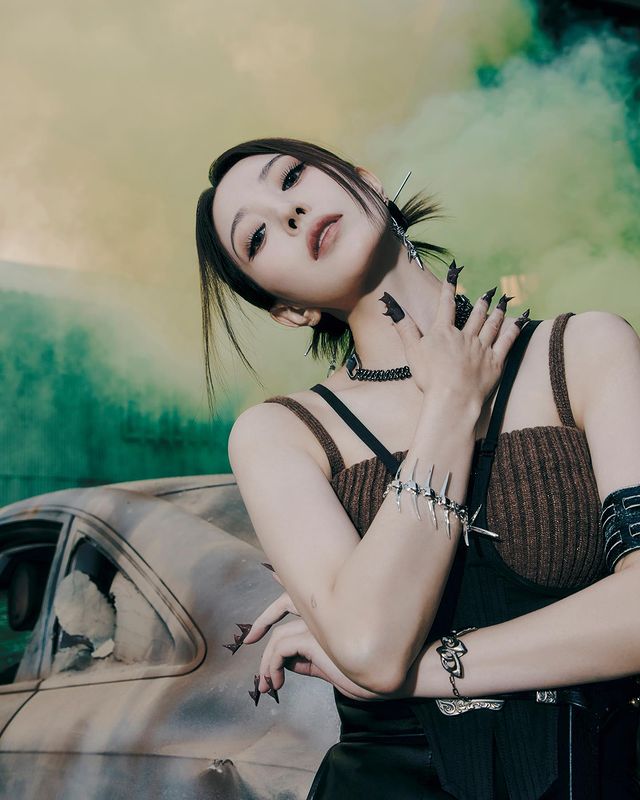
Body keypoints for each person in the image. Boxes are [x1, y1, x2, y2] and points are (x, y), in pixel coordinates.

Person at [196, 137, 640, 799]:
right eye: (257, 237)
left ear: (368, 182)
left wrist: (418, 674)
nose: (289, 213)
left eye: (291, 178)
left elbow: (375, 667)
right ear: (289, 311)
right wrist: (451, 408)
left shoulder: (583, 350)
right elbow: (372, 648)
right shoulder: (281, 433)